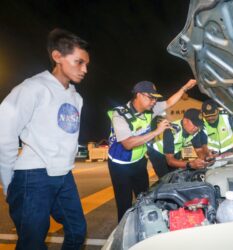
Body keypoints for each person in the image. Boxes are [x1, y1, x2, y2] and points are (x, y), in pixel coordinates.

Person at [0, 28, 89, 250]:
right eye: (79, 62)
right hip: (32, 176)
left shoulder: (77, 98)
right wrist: (7, 181)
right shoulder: (33, 88)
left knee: (77, 231)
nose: (85, 69)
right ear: (57, 56)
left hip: (64, 176)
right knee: (32, 243)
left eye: (86, 64)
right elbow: (5, 131)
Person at [108, 79, 196, 222]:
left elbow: (169, 102)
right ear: (139, 95)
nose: (154, 101)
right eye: (151, 97)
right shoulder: (119, 114)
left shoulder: (150, 109)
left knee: (144, 199)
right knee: (124, 205)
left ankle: (145, 229)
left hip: (139, 162)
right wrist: (157, 131)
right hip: (120, 165)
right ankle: (123, 238)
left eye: (155, 98)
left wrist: (184, 87)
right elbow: (128, 144)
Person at [148, 108, 209, 178]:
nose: (197, 128)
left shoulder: (195, 130)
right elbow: (170, 161)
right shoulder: (170, 131)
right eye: (195, 125)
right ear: (185, 121)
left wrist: (202, 161)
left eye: (199, 125)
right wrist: (190, 164)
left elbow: (199, 150)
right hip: (157, 153)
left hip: (175, 150)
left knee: (176, 174)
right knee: (166, 178)